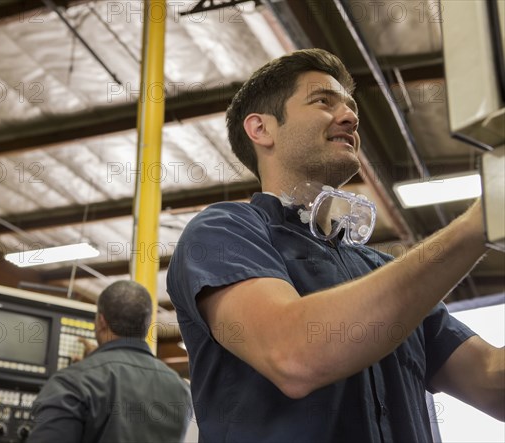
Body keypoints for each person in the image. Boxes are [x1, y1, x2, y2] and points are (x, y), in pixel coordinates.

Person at [166, 48, 504, 442]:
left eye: (350, 106)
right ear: (261, 129)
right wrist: (482, 222)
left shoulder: (383, 271)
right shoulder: (223, 232)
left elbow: (489, 380)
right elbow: (293, 354)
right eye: (323, 101)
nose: (351, 116)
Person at [29, 280, 192, 443]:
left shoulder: (70, 384)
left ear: (101, 321)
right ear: (147, 325)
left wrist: (89, 368)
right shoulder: (182, 390)